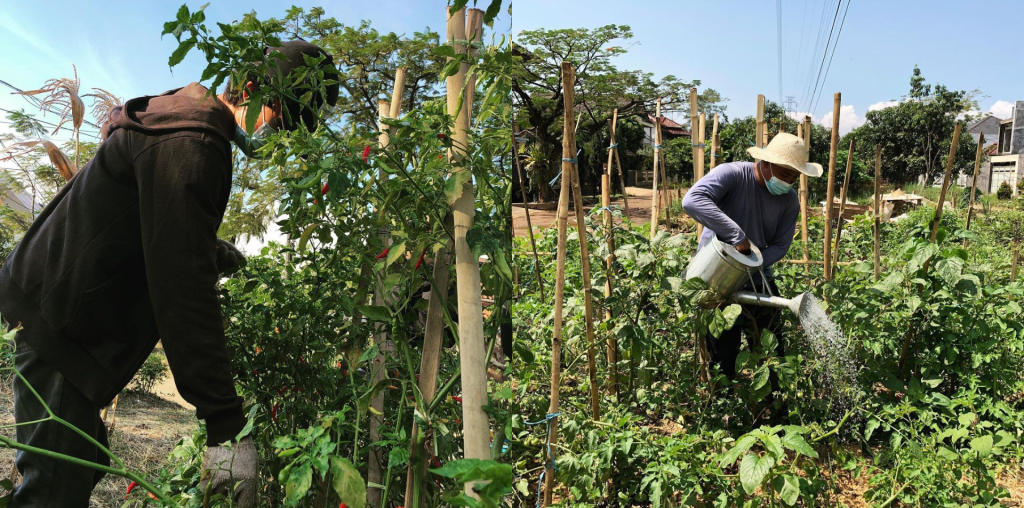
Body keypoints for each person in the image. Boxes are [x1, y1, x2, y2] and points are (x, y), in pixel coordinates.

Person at [0, 40, 338, 507]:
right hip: (63, 325)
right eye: (282, 118)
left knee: (76, 465)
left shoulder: (184, 116)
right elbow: (182, 293)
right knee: (52, 492)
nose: (279, 135)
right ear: (254, 89)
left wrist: (205, 247)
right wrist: (226, 426)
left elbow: (136, 212)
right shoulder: (194, 142)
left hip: (57, 308)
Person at [682, 133, 822, 391]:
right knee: (724, 352)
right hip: (716, 276)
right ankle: (725, 410)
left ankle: (773, 408)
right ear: (766, 163)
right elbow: (692, 200)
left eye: (794, 176)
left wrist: (751, 263)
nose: (788, 181)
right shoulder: (732, 175)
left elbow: (780, 246)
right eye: (784, 172)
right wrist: (736, 235)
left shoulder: (789, 200)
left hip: (758, 278)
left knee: (772, 349)